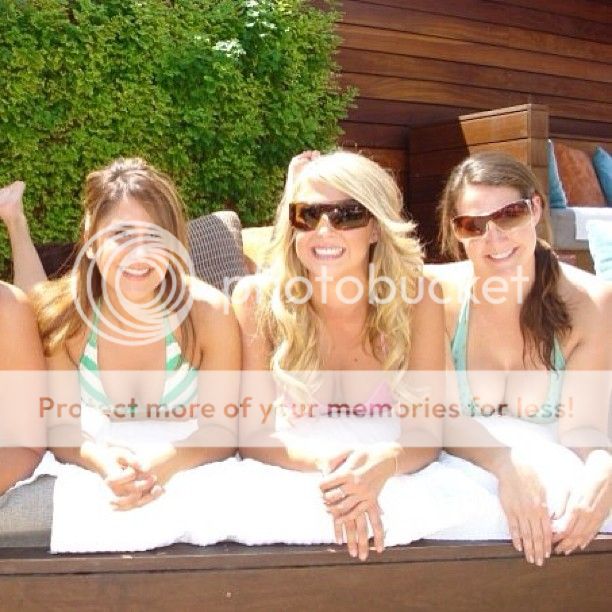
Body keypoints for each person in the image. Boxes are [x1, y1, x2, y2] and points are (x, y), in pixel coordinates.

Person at [232, 150, 445, 560]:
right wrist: (337, 471)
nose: (324, 230)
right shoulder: (257, 301)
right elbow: (252, 436)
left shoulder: (418, 299)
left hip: (389, 474)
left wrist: (384, 462)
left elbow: (427, 433)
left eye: (347, 215)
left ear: (376, 229)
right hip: (299, 475)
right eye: (308, 215)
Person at [0, 159, 240, 510]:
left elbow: (223, 429)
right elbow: (61, 428)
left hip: (181, 469)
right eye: (121, 235)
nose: (139, 255)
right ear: (91, 242)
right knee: (32, 303)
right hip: (108, 461)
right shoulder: (66, 321)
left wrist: (165, 463)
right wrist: (100, 460)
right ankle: (15, 220)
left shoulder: (209, 313)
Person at [430, 151, 612, 565]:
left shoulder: (592, 303)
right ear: (456, 231)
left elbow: (583, 425)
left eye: (509, 214)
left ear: (535, 209)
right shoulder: (435, 296)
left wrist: (603, 468)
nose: (493, 238)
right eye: (473, 224)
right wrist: (506, 465)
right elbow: (440, 416)